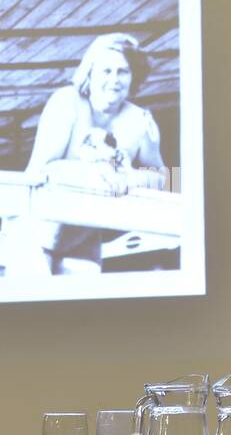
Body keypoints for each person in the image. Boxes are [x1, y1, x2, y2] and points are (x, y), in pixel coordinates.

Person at [15, 33, 166, 275]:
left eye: (123, 71)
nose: (114, 80)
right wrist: (99, 173)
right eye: (106, 71)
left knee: (79, 307)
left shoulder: (140, 122)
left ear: (134, 75)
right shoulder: (66, 103)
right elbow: (39, 172)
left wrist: (130, 179)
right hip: (35, 228)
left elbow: (169, 179)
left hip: (83, 235)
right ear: (90, 72)